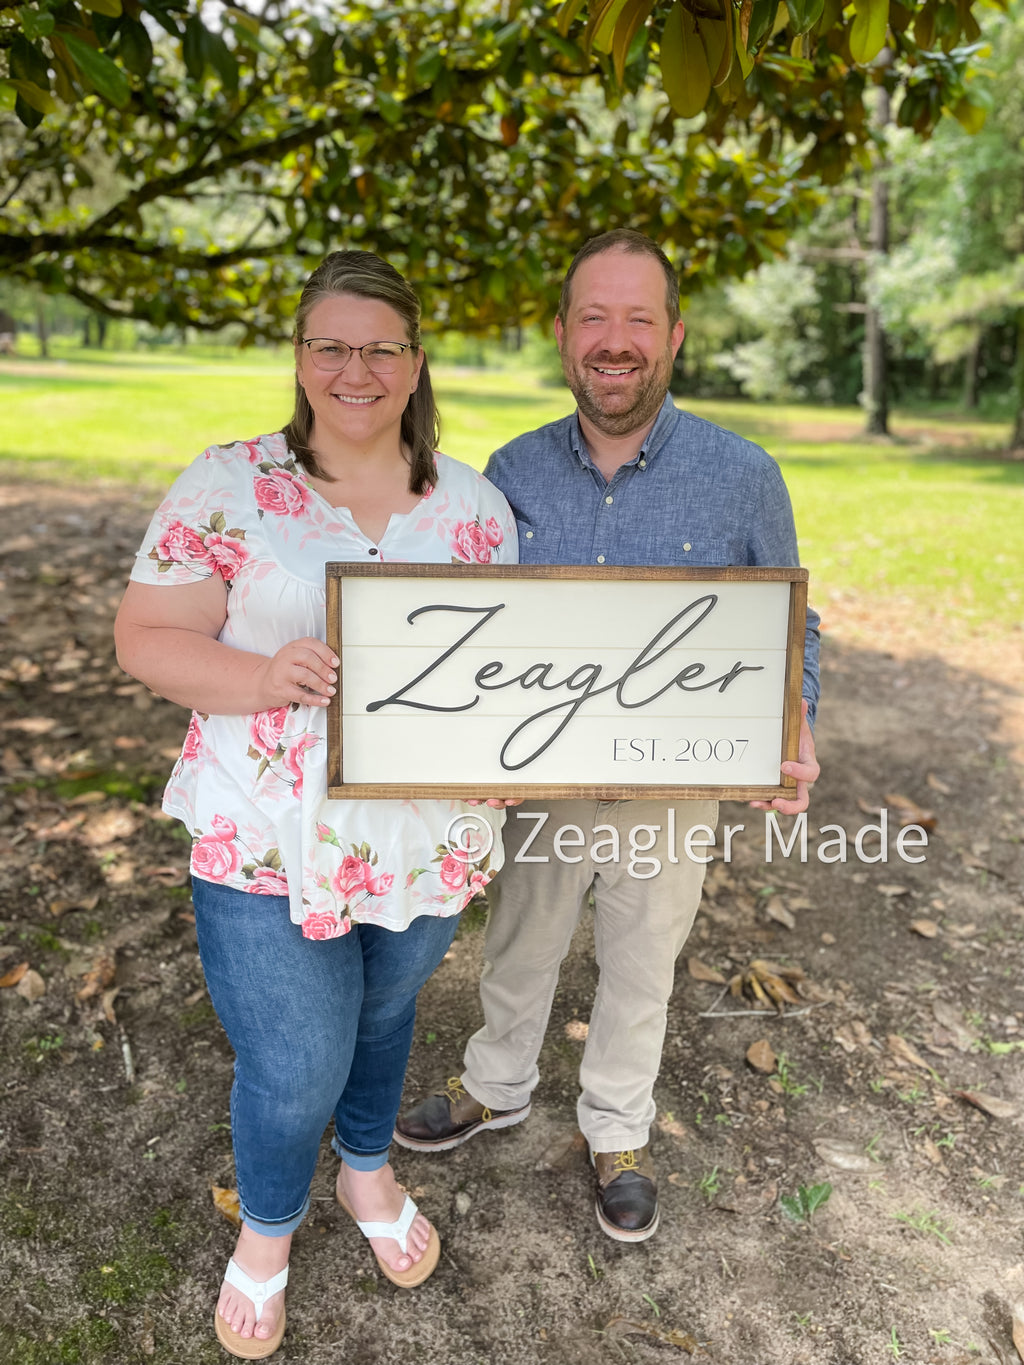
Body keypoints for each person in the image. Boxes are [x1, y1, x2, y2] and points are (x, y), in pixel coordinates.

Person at [114, 251, 517, 1358]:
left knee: (385, 1020)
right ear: (300, 359)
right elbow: (145, 638)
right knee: (293, 1061)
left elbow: (517, 671)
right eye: (331, 345)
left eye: (382, 346)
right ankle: (269, 1229)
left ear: (415, 361)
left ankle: (369, 1170)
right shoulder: (229, 484)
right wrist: (257, 679)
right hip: (268, 834)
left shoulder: (478, 508)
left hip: (427, 835)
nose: (357, 367)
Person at [395, 229, 821, 1244]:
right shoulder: (510, 471)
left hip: (676, 785)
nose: (615, 339)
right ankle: (494, 1085)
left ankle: (617, 1129)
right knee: (517, 942)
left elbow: (788, 618)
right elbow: (472, 627)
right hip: (538, 776)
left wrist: (796, 729)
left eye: (638, 318)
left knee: (642, 961)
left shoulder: (741, 474)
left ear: (672, 336)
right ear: (561, 334)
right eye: (594, 316)